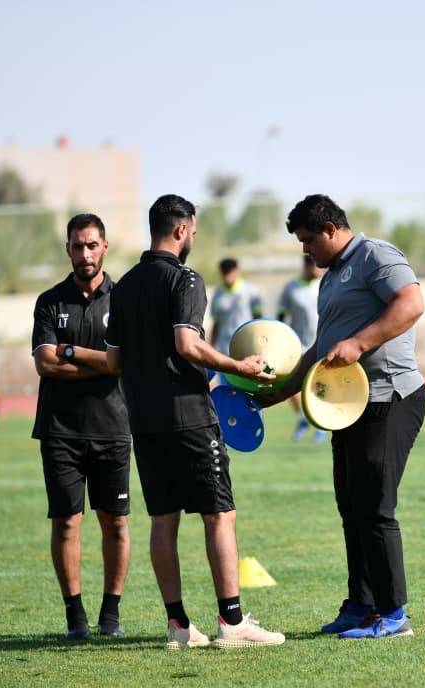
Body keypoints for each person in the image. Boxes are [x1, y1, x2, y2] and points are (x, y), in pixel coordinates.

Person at [105, 194, 284, 650]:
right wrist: (238, 368)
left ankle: (178, 627)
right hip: (188, 417)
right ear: (182, 230)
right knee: (219, 515)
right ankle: (232, 622)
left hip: (142, 421)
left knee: (162, 521)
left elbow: (113, 360)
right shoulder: (185, 279)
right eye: (194, 233)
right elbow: (187, 344)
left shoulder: (121, 287)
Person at [268, 193, 425, 640]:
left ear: (330, 229)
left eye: (307, 240)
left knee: (375, 506)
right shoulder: (331, 277)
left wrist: (359, 343)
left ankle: (393, 616)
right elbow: (321, 347)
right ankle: (361, 606)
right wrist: (278, 393)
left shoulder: (377, 255)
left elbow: (411, 304)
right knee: (351, 507)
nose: (305, 250)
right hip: (346, 405)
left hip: (390, 396)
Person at [31, 213, 132, 640]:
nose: (85, 253)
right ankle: (75, 617)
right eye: (77, 245)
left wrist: (73, 352)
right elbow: (45, 364)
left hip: (113, 427)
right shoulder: (50, 301)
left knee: (116, 523)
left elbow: (125, 362)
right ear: (68, 248)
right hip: (60, 431)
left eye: (92, 245)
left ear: (104, 247)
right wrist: (105, 365)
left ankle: (110, 614)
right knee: (67, 523)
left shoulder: (125, 299)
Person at [277, 254, 326, 442]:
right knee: (289, 384)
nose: (320, 270)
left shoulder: (324, 284)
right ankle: (301, 418)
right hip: (296, 344)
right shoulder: (291, 288)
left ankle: (320, 423)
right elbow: (281, 314)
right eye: (316, 267)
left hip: (321, 343)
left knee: (319, 385)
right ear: (307, 266)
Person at [209, 257, 263, 357]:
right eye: (225, 273)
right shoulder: (217, 294)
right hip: (224, 347)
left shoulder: (251, 290)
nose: (227, 276)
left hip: (247, 344)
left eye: (230, 272)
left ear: (237, 271)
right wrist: (212, 346)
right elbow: (216, 322)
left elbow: (258, 318)